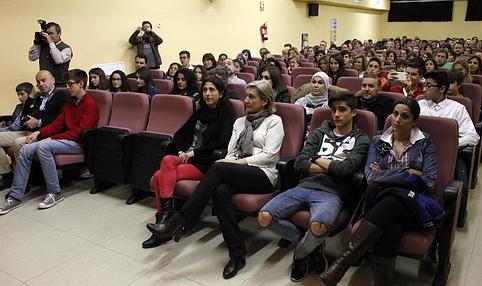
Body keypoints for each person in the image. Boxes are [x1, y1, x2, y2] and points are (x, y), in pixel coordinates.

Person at [147, 80, 284, 280]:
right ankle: (237, 254)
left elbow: (270, 156)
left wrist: (235, 164)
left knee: (218, 167)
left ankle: (181, 221)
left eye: (251, 97)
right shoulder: (240, 122)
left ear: (264, 101)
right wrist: (229, 163)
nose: (245, 100)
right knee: (220, 192)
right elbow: (230, 152)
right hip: (235, 171)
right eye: (246, 95)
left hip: (263, 174)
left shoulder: (274, 121)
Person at [318, 98, 443, 286]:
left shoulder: (424, 143)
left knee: (392, 204)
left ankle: (341, 265)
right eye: (395, 114)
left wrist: (385, 175)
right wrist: (408, 173)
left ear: (414, 121)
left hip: (414, 205)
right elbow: (369, 176)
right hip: (381, 203)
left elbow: (429, 181)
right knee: (391, 221)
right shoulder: (378, 141)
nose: (397, 119)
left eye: (404, 116)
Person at [259, 91, 369, 282]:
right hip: (304, 185)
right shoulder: (320, 132)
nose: (336, 114)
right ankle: (314, 247)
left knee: (318, 227)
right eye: (333, 110)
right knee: (264, 217)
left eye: (342, 110)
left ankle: (300, 255)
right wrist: (331, 165)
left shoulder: (361, 139)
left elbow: (346, 169)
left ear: (353, 113)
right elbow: (300, 162)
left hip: (332, 192)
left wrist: (316, 158)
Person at [141, 75, 236, 248]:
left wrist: (193, 152)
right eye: (205, 90)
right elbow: (179, 134)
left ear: (221, 93)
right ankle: (166, 220)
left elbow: (223, 142)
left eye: (212, 90)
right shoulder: (200, 112)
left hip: (204, 163)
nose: (207, 94)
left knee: (157, 177)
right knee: (169, 159)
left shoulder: (227, 112)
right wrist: (180, 151)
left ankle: (164, 219)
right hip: (187, 158)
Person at [0, 69, 99, 214]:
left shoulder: (91, 104)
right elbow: (57, 124)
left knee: (43, 146)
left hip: (79, 144)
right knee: (26, 148)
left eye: (70, 84)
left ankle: (55, 192)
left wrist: (52, 138)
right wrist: (39, 132)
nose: (67, 87)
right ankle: (15, 196)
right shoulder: (70, 104)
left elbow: (79, 133)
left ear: (81, 84)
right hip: (67, 140)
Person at [418, 70, 479, 226]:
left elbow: (473, 136)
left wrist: (449, 146)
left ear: (442, 88)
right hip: (418, 154)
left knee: (461, 180)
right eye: (424, 84)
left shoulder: (457, 108)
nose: (425, 89)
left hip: (447, 156)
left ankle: (455, 218)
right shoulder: (419, 105)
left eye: (429, 85)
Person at [0, 70, 68, 191]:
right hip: (28, 131)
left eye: (44, 80)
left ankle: (22, 182)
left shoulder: (61, 95)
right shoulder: (37, 97)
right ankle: (7, 175)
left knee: (18, 143)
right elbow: (23, 116)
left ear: (53, 80)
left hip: (44, 132)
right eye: (38, 82)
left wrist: (39, 122)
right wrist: (31, 96)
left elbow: (59, 117)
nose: (41, 84)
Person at [0, 83, 33, 189]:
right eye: (18, 94)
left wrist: (3, 129)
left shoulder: (32, 106)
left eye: (22, 94)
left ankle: (10, 176)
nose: (19, 97)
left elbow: (16, 127)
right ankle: (6, 174)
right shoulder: (18, 107)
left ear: (29, 94)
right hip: (14, 132)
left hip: (24, 132)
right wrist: (5, 125)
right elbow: (13, 123)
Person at [28, 22, 72, 86]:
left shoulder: (66, 48)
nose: (49, 36)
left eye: (51, 33)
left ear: (59, 34)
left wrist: (51, 43)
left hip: (59, 85)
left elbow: (58, 60)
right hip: (43, 84)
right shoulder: (43, 46)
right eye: (47, 34)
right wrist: (36, 43)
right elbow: (32, 58)